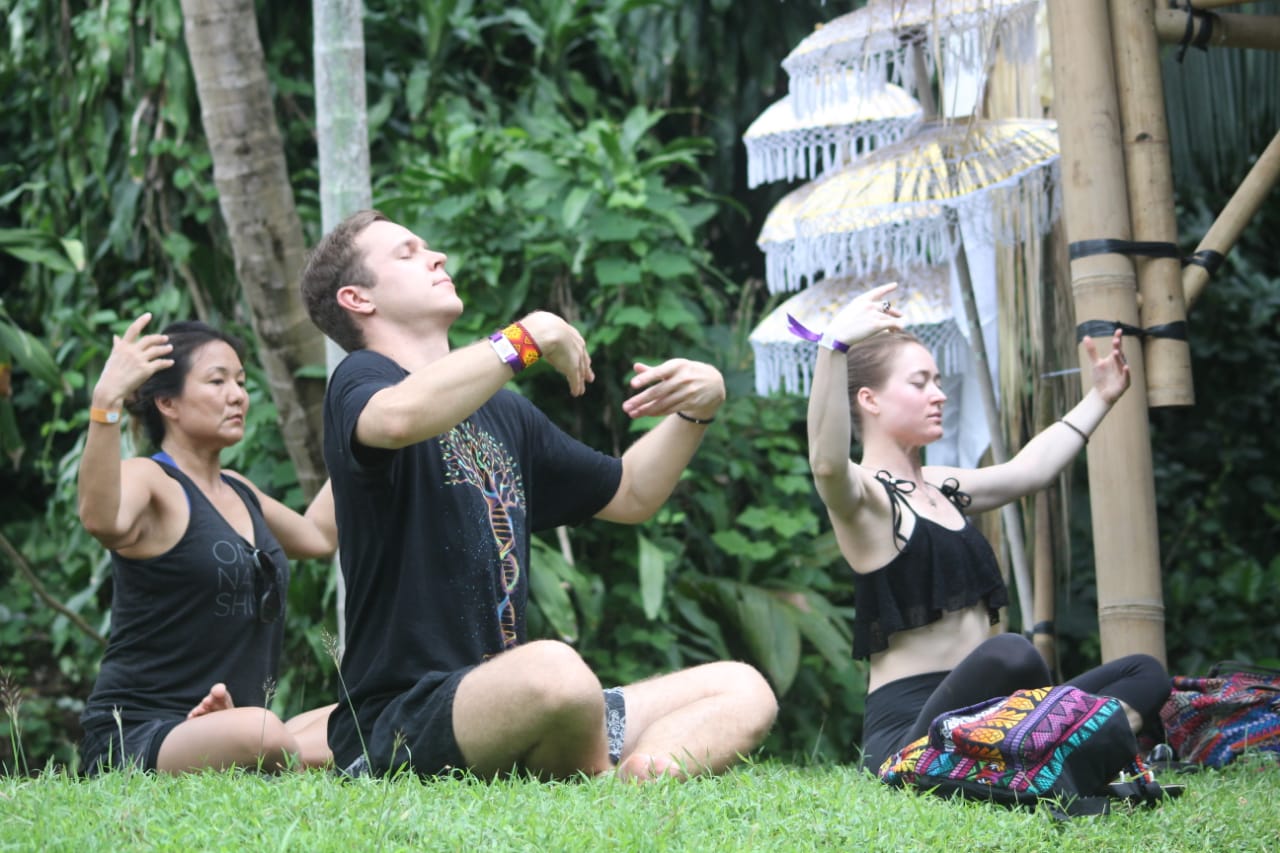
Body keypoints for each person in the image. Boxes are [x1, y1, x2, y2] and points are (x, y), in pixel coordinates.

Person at [299, 209, 777, 781]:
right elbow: (399, 418)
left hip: (518, 704)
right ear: (358, 299)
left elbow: (628, 493)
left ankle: (646, 780)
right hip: (402, 718)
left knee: (742, 687)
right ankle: (593, 774)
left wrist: (695, 411)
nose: (436, 257)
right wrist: (527, 337)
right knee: (555, 671)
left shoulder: (504, 411)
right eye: (406, 252)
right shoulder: (360, 379)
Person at [805, 282, 1171, 773]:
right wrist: (833, 348)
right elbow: (827, 465)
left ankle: (1049, 747)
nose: (938, 395)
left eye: (937, 380)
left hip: (996, 715)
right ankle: (1072, 745)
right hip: (912, 735)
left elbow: (1030, 471)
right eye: (919, 383)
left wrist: (1101, 397)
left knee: (1142, 671)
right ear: (869, 400)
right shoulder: (867, 498)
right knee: (1009, 652)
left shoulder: (938, 485)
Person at [76, 314, 338, 775]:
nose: (237, 395)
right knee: (263, 732)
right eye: (217, 381)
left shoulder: (239, 489)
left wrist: (366, 434)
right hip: (141, 733)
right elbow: (101, 519)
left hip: (231, 726)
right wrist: (106, 402)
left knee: (366, 715)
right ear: (168, 404)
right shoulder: (150, 479)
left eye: (239, 381)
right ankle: (299, 760)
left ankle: (286, 753)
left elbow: (319, 536)